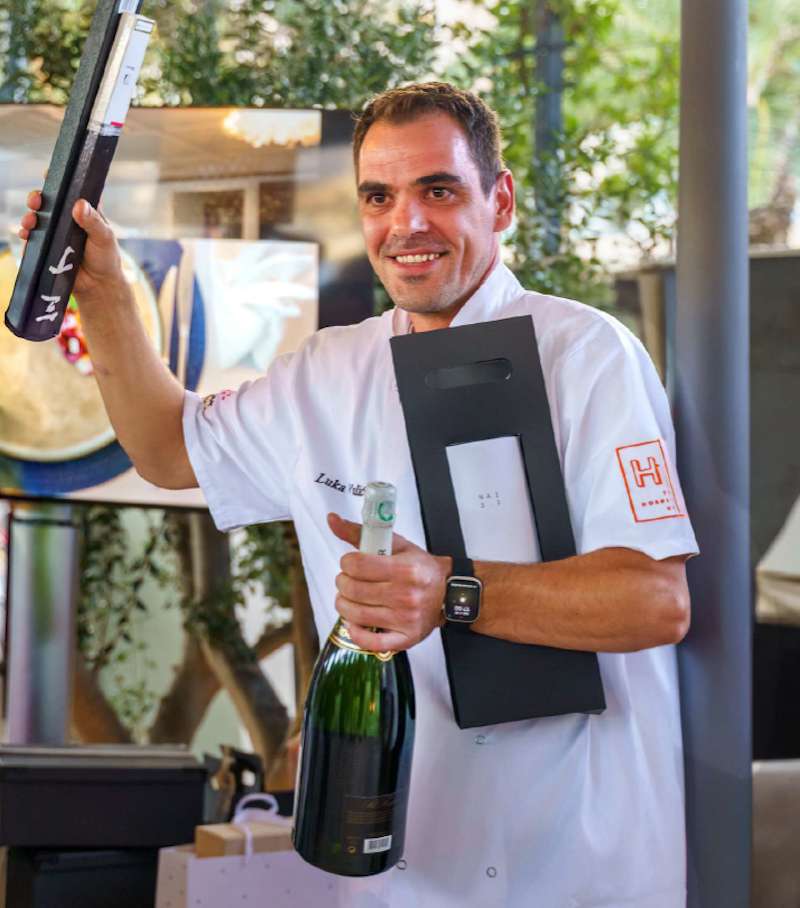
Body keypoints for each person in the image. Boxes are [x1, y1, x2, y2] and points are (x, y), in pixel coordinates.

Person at [19, 82, 697, 907]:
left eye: (438, 191)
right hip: (394, 870)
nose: (405, 224)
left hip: (572, 860)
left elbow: (654, 602)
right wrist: (102, 291)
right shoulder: (327, 371)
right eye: (379, 196)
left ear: (501, 201)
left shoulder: (588, 356)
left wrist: (447, 591)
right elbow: (167, 448)